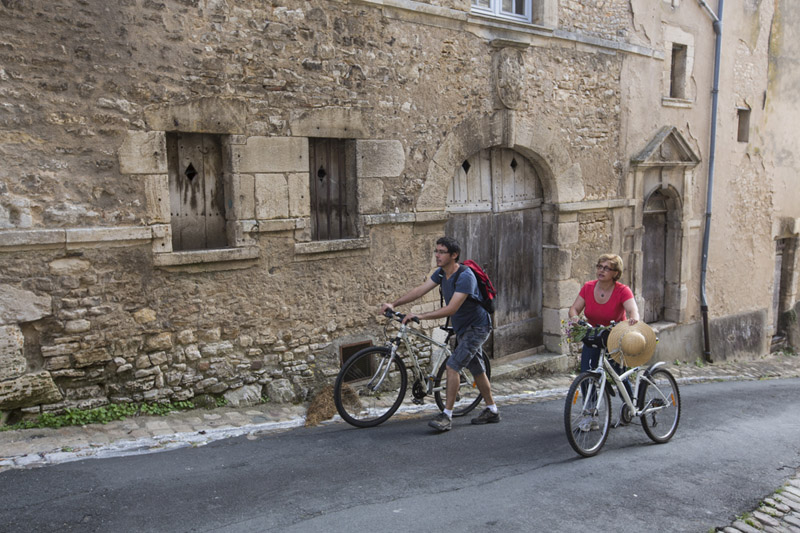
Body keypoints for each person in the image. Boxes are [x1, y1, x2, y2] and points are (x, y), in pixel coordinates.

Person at [380, 236, 499, 432]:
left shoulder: (465, 276)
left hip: (477, 328)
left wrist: (420, 315)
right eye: (436, 251)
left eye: (442, 252)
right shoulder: (442, 274)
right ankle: (492, 410)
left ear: (454, 255)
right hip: (462, 328)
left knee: (452, 367)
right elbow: (420, 290)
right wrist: (394, 304)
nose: (437, 255)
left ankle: (447, 416)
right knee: (477, 369)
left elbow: (452, 308)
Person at [568, 253, 640, 420]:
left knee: (618, 373)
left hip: (614, 336)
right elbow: (574, 309)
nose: (601, 270)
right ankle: (590, 413)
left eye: (606, 268)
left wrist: (633, 318)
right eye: (599, 266)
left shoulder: (622, 290)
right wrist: (575, 319)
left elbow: (632, 310)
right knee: (586, 373)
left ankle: (630, 404)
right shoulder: (588, 287)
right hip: (593, 335)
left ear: (615, 273)